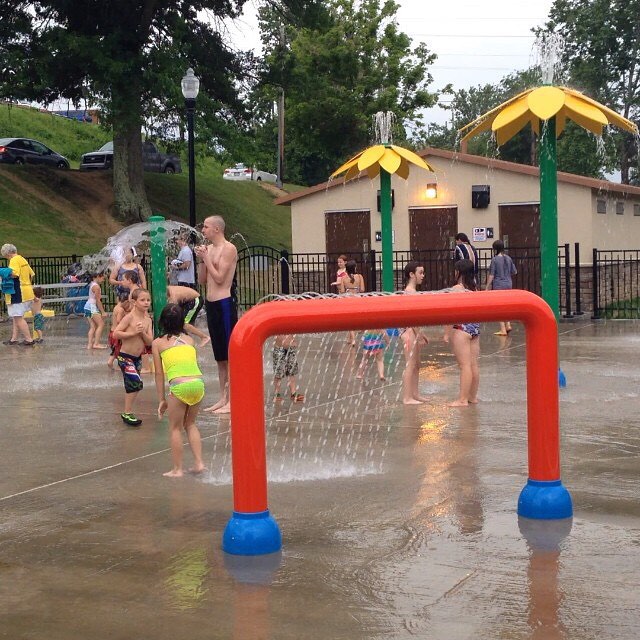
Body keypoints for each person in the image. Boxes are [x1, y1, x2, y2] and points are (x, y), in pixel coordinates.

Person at [152, 303, 205, 477]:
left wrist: (161, 399)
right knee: (190, 424)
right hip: (198, 383)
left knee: (174, 428)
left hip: (180, 386)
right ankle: (199, 463)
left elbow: (159, 374)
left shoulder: (158, 343)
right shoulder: (189, 340)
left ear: (162, 322)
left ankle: (177, 469)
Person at [195, 215, 238, 414]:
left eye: (206, 227)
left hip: (224, 304)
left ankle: (233, 400)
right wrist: (202, 261)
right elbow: (203, 279)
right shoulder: (210, 250)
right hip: (211, 304)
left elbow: (220, 278)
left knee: (230, 355)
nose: (202, 230)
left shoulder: (229, 249)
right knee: (220, 357)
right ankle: (223, 398)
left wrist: (206, 259)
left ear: (217, 229)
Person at [113, 288, 153, 426]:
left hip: (137, 358)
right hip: (125, 357)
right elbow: (116, 334)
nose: (146, 302)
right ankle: (127, 412)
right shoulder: (129, 317)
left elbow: (150, 342)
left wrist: (141, 333)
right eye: (142, 300)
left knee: (133, 386)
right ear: (134, 302)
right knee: (136, 383)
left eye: (148, 300)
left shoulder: (148, 320)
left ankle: (127, 412)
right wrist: (132, 333)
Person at [444, 259, 480, 407]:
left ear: (459, 272)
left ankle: (462, 399)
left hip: (461, 328)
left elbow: (449, 312)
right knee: (473, 365)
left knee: (464, 365)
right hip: (475, 328)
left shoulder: (456, 289)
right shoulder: (475, 289)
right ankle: (472, 397)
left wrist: (446, 333)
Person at [400, 261, 429, 405]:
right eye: (420, 272)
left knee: (417, 364)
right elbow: (411, 318)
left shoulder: (413, 291)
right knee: (410, 365)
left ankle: (415, 394)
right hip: (409, 332)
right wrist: (418, 334)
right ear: (412, 274)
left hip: (413, 330)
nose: (423, 276)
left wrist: (420, 333)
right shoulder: (410, 292)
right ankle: (407, 397)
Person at [0, 243, 36, 346]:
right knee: (17, 317)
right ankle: (14, 339)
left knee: (18, 318)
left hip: (18, 293)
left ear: (8, 253)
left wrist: (3, 272)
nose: (6, 258)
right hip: (27, 292)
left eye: (5, 256)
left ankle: (29, 339)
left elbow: (14, 273)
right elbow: (31, 274)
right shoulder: (22, 259)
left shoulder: (14, 260)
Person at [485, 239, 517, 336]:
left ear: (495, 249)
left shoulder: (495, 260)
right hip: (508, 283)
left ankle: (503, 329)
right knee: (506, 305)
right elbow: (514, 271)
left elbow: (491, 275)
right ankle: (508, 324)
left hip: (499, 284)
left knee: (499, 307)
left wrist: (487, 286)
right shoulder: (508, 258)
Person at [338, 260, 365, 346]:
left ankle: (353, 339)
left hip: (348, 299)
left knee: (350, 320)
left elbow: (342, 291)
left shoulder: (343, 278)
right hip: (357, 299)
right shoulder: (360, 276)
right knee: (355, 318)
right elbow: (362, 289)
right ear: (355, 268)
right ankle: (351, 338)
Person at [272, 334, 304, 402]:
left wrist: (294, 341)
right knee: (278, 373)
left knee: (291, 372)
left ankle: (293, 393)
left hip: (291, 348)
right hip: (279, 348)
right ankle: (277, 393)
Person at [107, 292, 132, 369]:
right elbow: (118, 321)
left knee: (116, 350)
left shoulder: (116, 307)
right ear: (126, 302)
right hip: (116, 334)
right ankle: (111, 362)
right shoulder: (121, 309)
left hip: (112, 332)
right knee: (118, 351)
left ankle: (117, 365)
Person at [84, 273, 107, 350]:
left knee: (93, 326)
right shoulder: (96, 287)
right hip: (92, 306)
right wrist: (103, 312)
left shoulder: (92, 284)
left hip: (87, 306)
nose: (104, 279)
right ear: (97, 276)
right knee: (101, 324)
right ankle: (96, 344)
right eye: (103, 278)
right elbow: (98, 300)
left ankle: (90, 344)